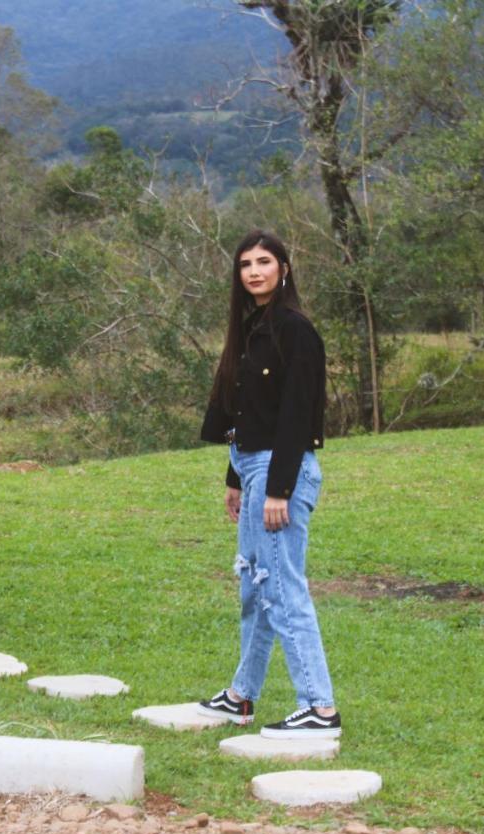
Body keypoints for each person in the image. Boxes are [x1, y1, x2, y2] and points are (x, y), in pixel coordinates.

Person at [195, 229, 340, 740]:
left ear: (284, 267)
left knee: (281, 588)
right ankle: (240, 696)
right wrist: (237, 479)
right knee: (255, 588)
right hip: (254, 467)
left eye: (264, 261)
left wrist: (278, 488)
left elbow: (298, 415)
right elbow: (248, 415)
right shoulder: (252, 327)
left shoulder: (294, 330)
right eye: (245, 265)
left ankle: (319, 708)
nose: (254, 271)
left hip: (284, 470)